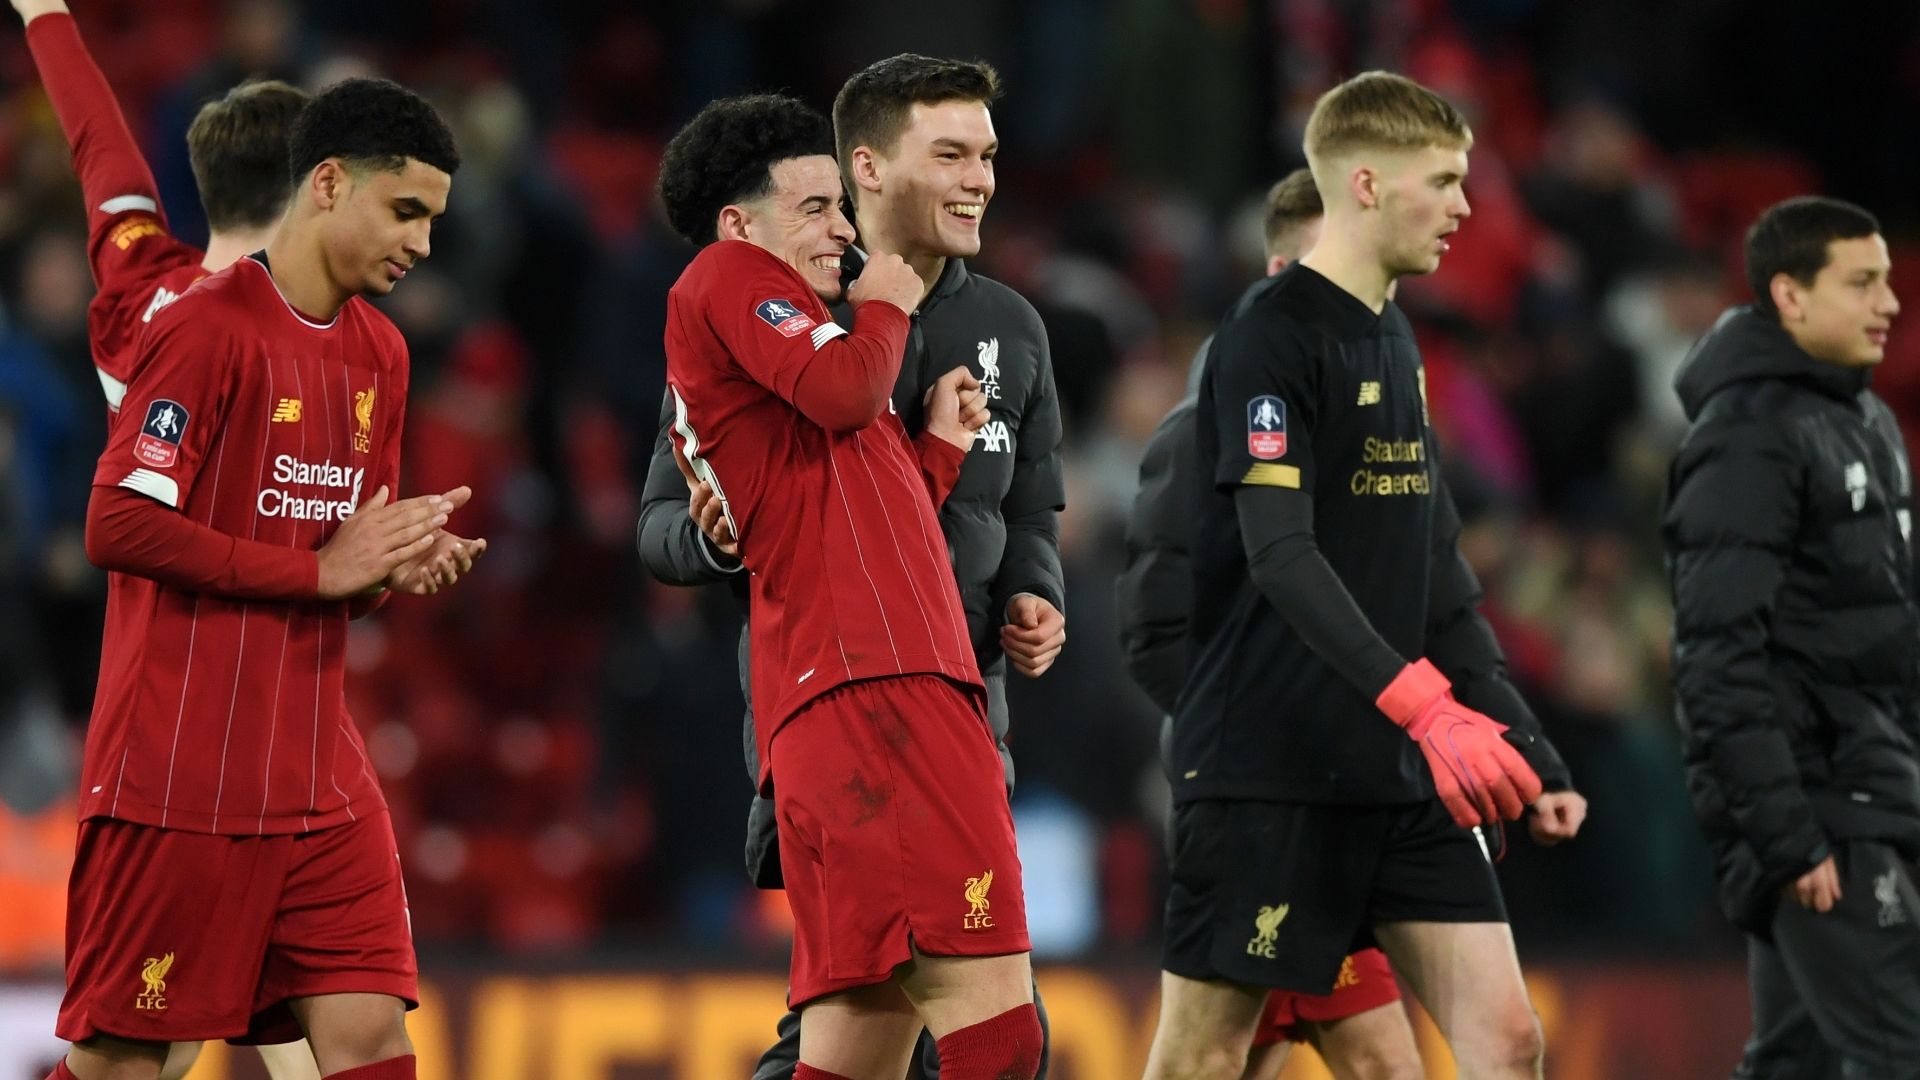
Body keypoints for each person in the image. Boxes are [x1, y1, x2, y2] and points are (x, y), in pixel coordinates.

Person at [1141, 72, 1586, 1080]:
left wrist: (1526, 744)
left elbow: (1429, 567)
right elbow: (1280, 553)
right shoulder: (1267, 338)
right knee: (1204, 1057)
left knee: (1507, 1041)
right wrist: (1424, 704)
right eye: (1446, 180)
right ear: (1369, 184)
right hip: (1270, 773)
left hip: (1391, 771)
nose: (1467, 207)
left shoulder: (1395, 336)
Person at [636, 54, 1066, 1079]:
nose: (839, 230)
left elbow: (865, 506)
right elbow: (833, 401)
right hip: (882, 693)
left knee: (852, 1048)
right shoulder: (733, 284)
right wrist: (889, 306)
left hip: (870, 697)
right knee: (998, 1031)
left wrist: (942, 451)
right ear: (742, 225)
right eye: (818, 206)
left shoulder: (881, 332)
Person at [49, 77, 471, 1080]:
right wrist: (321, 572)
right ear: (327, 183)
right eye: (404, 210)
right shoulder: (201, 327)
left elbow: (343, 566)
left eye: (433, 219)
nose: (421, 243)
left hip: (317, 770)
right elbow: (116, 524)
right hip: (183, 766)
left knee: (370, 1040)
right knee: (126, 1060)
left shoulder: (383, 354)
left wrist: (390, 568)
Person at [1119, 168, 1422, 1080]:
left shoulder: (1370, 439)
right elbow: (1155, 633)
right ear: (1286, 267)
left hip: (1340, 800)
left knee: (1354, 1062)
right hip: (1257, 802)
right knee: (1216, 1057)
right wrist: (1264, 737)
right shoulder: (1204, 430)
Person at [1664, 195, 1920, 1079]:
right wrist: (1787, 834)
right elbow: (1715, 655)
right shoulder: (1748, 437)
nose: (1889, 302)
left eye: (1887, 280)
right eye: (1863, 283)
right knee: (1897, 1053)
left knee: (1794, 1064)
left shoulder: (1866, 421)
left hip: (1867, 795)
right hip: (1823, 813)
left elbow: (1885, 638)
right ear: (1790, 295)